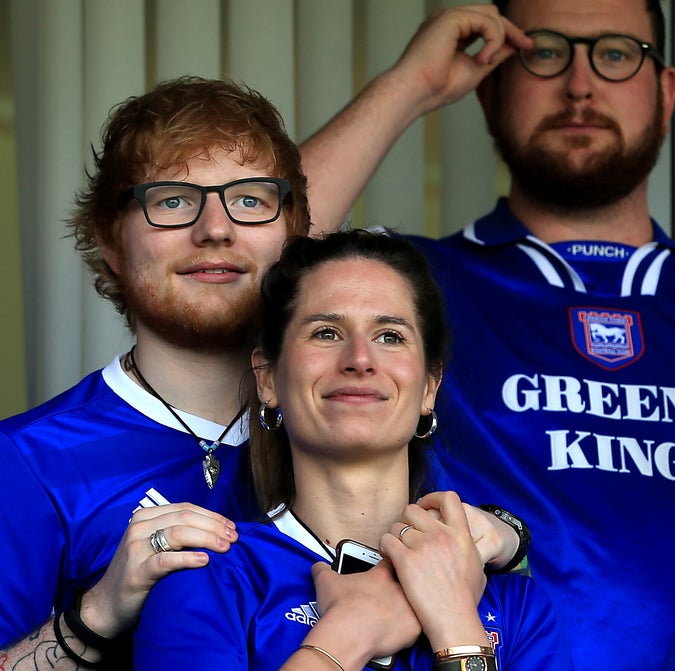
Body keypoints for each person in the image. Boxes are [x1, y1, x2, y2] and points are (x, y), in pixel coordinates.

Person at [0, 77, 520, 669]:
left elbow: (504, 559)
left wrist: (509, 537)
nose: (215, 229)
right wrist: (95, 615)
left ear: (295, 234)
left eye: (249, 200)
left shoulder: (357, 410)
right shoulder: (26, 460)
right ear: (110, 240)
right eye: (171, 200)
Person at [298, 2, 675, 670]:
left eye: (616, 53)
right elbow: (247, 259)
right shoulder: (407, 289)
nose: (580, 85)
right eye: (545, 52)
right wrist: (413, 83)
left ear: (666, 93)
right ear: (489, 89)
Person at [133, 230, 573, 671]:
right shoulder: (207, 581)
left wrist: (456, 625)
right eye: (326, 332)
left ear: (430, 388)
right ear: (267, 379)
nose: (360, 358)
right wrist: (350, 633)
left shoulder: (516, 604)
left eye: (390, 336)